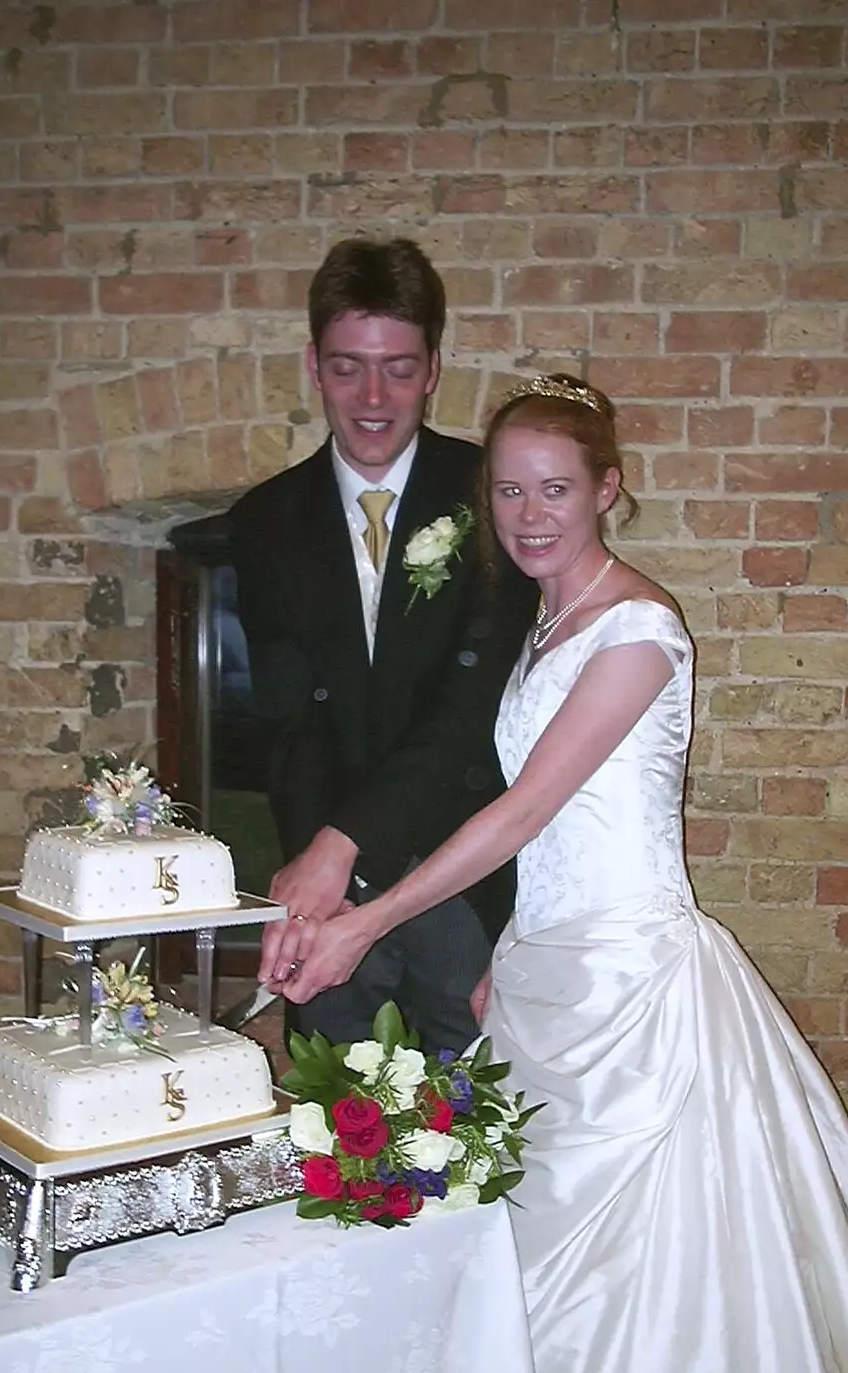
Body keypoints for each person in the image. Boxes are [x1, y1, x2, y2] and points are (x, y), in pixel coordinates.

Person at [267, 373, 848, 1373]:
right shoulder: (538, 620)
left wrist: (366, 916)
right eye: (509, 491)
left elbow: (527, 807)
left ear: (609, 491)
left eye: (557, 489)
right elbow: (533, 837)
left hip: (636, 986)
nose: (531, 513)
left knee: (663, 1288)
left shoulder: (639, 629)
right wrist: (505, 957)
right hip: (544, 974)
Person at [227, 236, 536, 1054]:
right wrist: (309, 881)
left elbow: (472, 708)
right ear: (311, 363)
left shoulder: (493, 496)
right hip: (328, 897)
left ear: (433, 368)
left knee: (479, 1138)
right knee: (341, 1146)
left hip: (464, 883)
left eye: (398, 367)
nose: (372, 395)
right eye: (346, 366)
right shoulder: (264, 521)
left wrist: (341, 846)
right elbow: (288, 722)